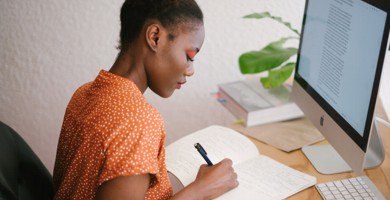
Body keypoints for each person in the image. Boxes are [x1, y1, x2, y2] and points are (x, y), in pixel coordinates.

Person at [52, 0, 238, 199]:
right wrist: (201, 190)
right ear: (155, 37)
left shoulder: (84, 92)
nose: (190, 70)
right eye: (190, 56)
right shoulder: (139, 121)